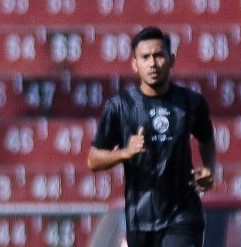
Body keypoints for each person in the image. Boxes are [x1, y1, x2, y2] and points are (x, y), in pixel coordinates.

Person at [87, 26, 217, 247]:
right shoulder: (121, 107)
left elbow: (206, 138)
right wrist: (126, 153)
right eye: (145, 57)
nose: (153, 64)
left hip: (182, 214)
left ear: (171, 60)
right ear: (135, 64)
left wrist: (209, 169)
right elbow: (93, 159)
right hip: (141, 219)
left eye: (159, 55)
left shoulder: (190, 103)